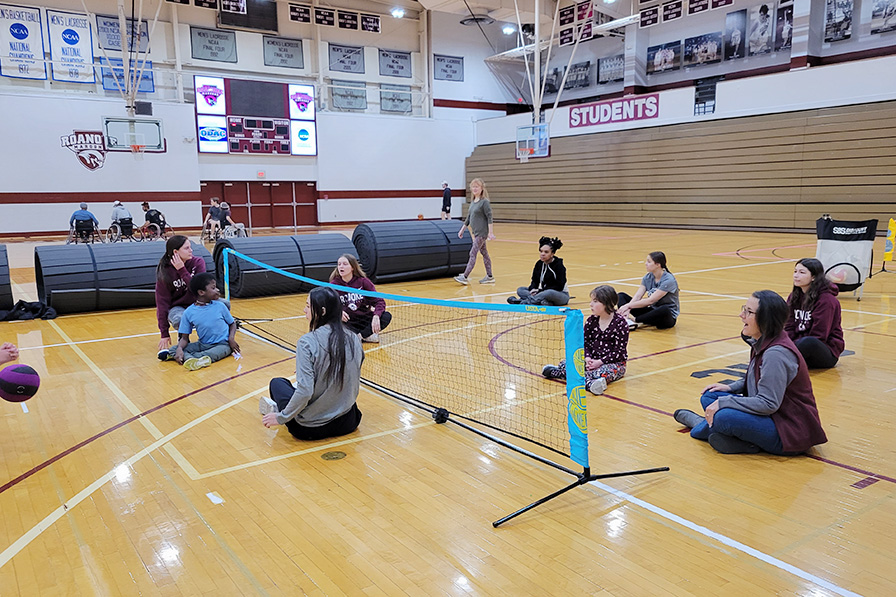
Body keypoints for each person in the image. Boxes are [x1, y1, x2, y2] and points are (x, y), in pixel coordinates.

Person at [673, 290, 828, 455]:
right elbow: (758, 378)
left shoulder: (776, 354)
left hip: (789, 431)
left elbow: (768, 403)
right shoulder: (764, 340)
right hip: (772, 416)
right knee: (709, 396)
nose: (741, 315)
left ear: (765, 319)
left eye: (748, 311)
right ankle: (734, 437)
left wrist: (725, 403)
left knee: (723, 416)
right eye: (743, 309)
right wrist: (731, 388)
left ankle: (702, 425)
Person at [259, 286, 363, 440]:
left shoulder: (307, 342)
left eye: (308, 306)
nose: (304, 310)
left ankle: (280, 409)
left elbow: (305, 391)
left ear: (321, 312)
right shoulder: (354, 337)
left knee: (277, 383)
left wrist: (281, 417)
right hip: (348, 422)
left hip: (310, 429)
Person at [542, 285, 628, 395]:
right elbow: (584, 343)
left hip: (612, 363)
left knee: (602, 373)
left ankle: (560, 373)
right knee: (566, 363)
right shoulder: (591, 320)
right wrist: (587, 358)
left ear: (607, 303)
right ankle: (589, 383)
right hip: (590, 361)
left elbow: (619, 352)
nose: (591, 304)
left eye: (595, 301)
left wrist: (599, 362)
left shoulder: (620, 323)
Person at [160, 273, 239, 371]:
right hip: (203, 344)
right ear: (201, 292)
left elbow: (232, 324)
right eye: (213, 288)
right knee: (174, 349)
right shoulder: (189, 312)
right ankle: (190, 358)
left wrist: (231, 339)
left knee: (213, 354)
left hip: (223, 344)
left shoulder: (220, 306)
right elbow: (184, 338)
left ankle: (188, 358)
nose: (217, 290)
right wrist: (180, 348)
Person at [785, 258, 844, 369]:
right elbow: (789, 326)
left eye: (802, 272)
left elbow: (819, 335)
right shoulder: (794, 297)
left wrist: (789, 346)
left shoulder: (826, 300)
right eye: (795, 271)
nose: (796, 276)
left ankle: (780, 359)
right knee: (757, 332)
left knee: (808, 342)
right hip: (798, 346)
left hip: (823, 351)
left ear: (814, 277)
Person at [155, 235, 207, 358]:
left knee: (224, 305)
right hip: (178, 307)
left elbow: (200, 289)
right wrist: (164, 333)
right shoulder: (165, 272)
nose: (191, 251)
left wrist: (182, 270)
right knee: (180, 319)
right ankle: (183, 340)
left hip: (198, 303)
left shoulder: (198, 262)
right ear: (175, 252)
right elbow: (162, 303)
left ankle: (212, 338)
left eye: (191, 247)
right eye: (187, 248)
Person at [330, 254, 392, 343]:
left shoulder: (363, 282)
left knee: (386, 316)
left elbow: (379, 301)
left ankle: (362, 335)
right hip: (347, 322)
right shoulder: (333, 285)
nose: (341, 266)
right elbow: (327, 305)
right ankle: (365, 336)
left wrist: (376, 315)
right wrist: (337, 312)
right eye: (339, 264)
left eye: (345, 264)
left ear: (352, 267)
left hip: (364, 319)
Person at [617, 251, 679, 330]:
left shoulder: (669, 280)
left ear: (657, 265)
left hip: (665, 317)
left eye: (649, 262)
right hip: (651, 313)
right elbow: (638, 296)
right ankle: (626, 320)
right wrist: (628, 308)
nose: (646, 263)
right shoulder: (647, 277)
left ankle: (635, 321)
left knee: (664, 309)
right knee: (621, 296)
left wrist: (627, 306)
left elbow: (650, 301)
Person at [454, 178, 495, 285]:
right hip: (476, 232)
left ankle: (465, 276)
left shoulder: (484, 202)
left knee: (472, 253)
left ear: (482, 188)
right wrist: (462, 230)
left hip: (482, 233)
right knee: (484, 254)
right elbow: (469, 218)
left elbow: (490, 217)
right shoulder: (473, 202)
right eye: (473, 186)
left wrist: (490, 233)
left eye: (477, 186)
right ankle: (490, 276)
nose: (475, 188)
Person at [507, 236, 569, 306]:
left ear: (552, 254)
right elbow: (534, 280)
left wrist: (540, 291)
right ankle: (542, 302)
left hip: (559, 295)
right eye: (541, 251)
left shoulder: (559, 265)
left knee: (548, 293)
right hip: (541, 293)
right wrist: (533, 289)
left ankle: (523, 301)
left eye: (546, 252)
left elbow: (559, 286)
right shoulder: (539, 264)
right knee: (520, 290)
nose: (542, 254)